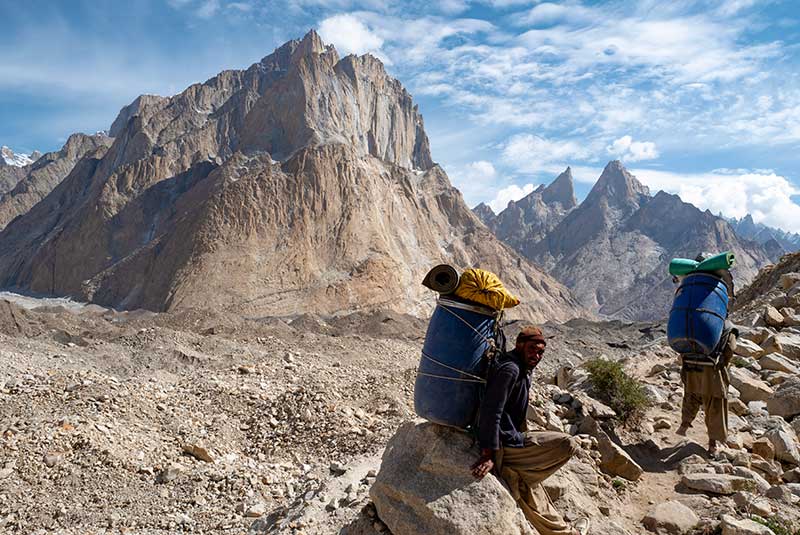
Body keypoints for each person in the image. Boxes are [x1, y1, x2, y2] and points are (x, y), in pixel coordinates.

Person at [471, 326, 588, 535]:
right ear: (519, 345)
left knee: (528, 487)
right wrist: (488, 454)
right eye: (532, 349)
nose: (536, 355)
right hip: (502, 444)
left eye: (541, 352)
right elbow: (491, 410)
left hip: (510, 437)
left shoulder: (522, 367)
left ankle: (565, 531)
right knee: (567, 444)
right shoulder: (511, 369)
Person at [675, 253, 738, 455]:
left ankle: (684, 425)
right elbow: (729, 351)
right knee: (715, 405)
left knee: (691, 395)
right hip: (713, 371)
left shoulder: (690, 298)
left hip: (689, 363)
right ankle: (713, 444)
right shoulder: (724, 323)